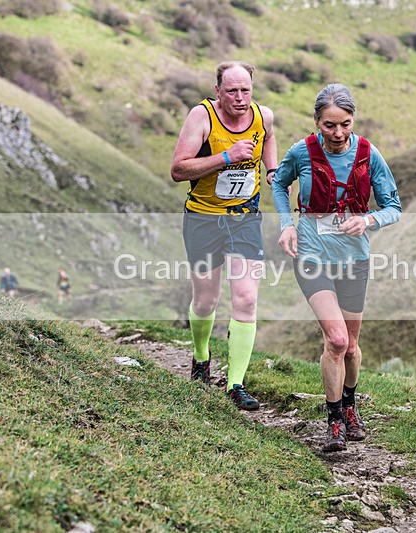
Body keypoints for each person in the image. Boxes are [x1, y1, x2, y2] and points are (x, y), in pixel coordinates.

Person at [271, 83, 401, 452]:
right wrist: (286, 224)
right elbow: (279, 184)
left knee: (352, 347)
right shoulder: (302, 152)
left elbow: (394, 207)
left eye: (345, 124)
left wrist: (369, 221)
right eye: (329, 125)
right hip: (312, 255)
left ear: (353, 120)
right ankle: (333, 422)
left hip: (354, 258)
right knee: (336, 339)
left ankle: (350, 405)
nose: (338, 133)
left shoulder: (368, 153)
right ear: (316, 121)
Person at [170, 60, 277, 411]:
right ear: (218, 91)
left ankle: (236, 383)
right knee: (206, 301)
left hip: (244, 220)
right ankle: (201, 358)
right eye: (232, 91)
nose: (240, 98)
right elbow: (178, 170)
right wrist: (225, 157)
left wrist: (272, 169)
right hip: (203, 219)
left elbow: (269, 137)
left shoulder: (264, 116)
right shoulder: (201, 118)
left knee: (246, 299)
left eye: (246, 90)